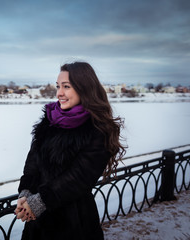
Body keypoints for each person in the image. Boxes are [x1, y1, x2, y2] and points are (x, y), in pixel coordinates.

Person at [15, 61, 126, 239]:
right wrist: (26, 191)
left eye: (66, 87)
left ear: (84, 88)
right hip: (37, 221)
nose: (59, 93)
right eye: (58, 86)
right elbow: (33, 161)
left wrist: (41, 200)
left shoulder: (98, 129)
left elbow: (80, 176)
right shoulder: (50, 119)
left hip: (74, 223)